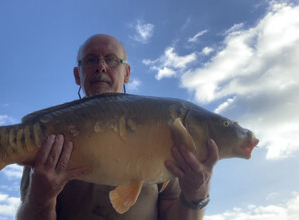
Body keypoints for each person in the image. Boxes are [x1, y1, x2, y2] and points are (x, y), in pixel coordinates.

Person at [16, 34, 219, 220]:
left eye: (111, 59)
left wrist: (196, 195)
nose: (101, 67)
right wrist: (39, 198)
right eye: (90, 60)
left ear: (127, 72)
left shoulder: (163, 133)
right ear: (78, 75)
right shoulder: (48, 135)